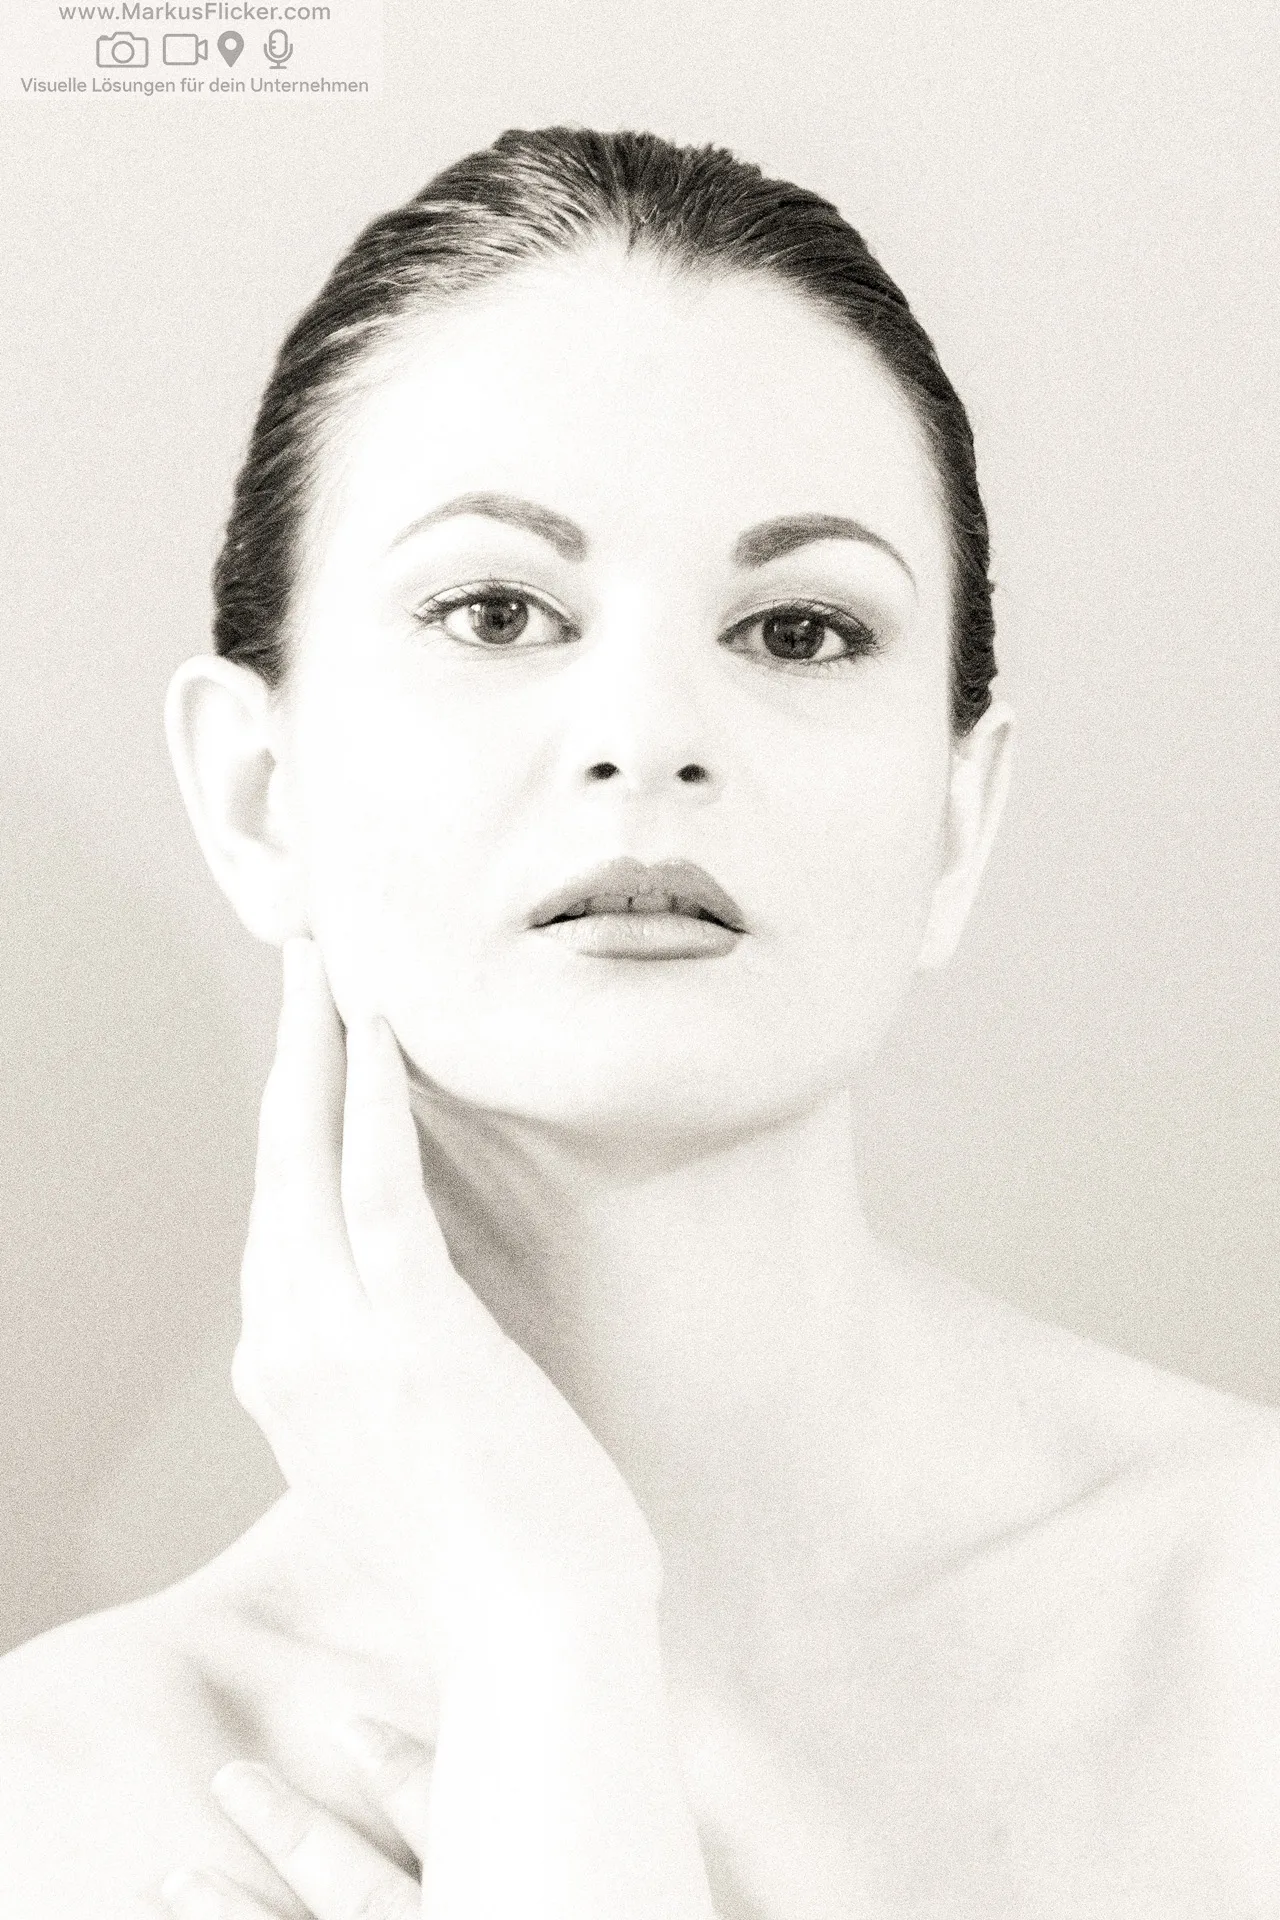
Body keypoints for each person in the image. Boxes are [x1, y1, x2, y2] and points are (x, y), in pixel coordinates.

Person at [1, 126, 1277, 1920]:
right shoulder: (70, 1802)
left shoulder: (1244, 1620)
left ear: (959, 818)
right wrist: (549, 1627)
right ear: (256, 793)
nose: (649, 734)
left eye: (801, 631)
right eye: (496, 611)